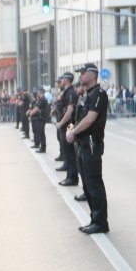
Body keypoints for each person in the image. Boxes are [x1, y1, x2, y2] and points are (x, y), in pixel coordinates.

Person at [67, 64, 110, 234]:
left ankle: (100, 222)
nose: (81, 76)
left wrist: (73, 131)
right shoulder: (86, 95)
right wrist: (72, 129)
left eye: (83, 73)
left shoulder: (98, 94)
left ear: (92, 75)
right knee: (86, 184)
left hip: (92, 142)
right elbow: (80, 117)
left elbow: (90, 119)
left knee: (94, 184)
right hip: (82, 143)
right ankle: (94, 219)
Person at [53, 72, 78, 183]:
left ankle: (72, 177)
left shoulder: (71, 92)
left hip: (68, 125)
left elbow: (70, 110)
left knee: (70, 153)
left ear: (66, 80)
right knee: (67, 152)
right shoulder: (65, 92)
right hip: (65, 126)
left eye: (62, 78)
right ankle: (69, 176)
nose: (60, 81)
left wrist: (61, 123)